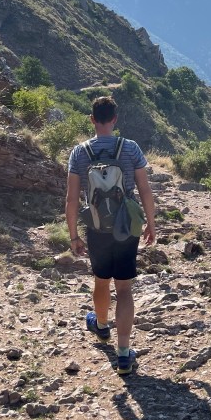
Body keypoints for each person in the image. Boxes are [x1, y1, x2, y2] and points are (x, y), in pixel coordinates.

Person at [65, 95, 157, 375]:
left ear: (92, 119)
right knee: (125, 289)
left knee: (101, 280)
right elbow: (145, 190)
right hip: (126, 226)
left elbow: (71, 199)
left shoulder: (79, 153)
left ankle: (102, 326)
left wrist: (73, 236)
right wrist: (151, 223)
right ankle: (124, 354)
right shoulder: (130, 148)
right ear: (115, 119)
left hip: (96, 227)